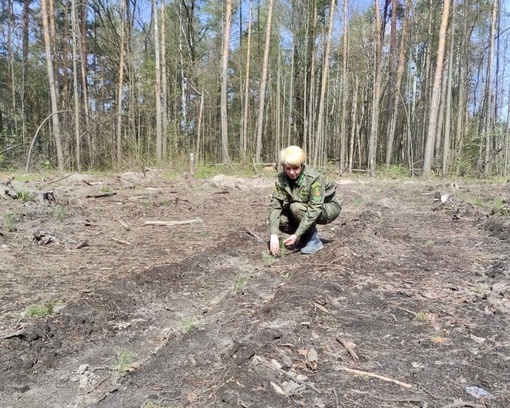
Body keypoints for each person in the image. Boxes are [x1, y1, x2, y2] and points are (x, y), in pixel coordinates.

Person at [268, 146, 341, 255]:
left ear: (301, 166)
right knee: (281, 219)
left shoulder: (313, 177)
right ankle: (304, 237)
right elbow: (275, 206)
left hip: (327, 207)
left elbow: (315, 208)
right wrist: (273, 234)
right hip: (303, 207)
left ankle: (313, 240)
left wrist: (296, 234)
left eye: (295, 168)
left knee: (295, 207)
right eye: (288, 169)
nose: (292, 172)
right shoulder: (281, 179)